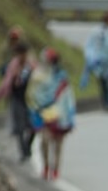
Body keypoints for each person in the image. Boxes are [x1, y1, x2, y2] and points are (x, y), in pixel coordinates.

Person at [25, 47, 76, 182]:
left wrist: (69, 116)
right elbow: (33, 93)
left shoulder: (61, 76)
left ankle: (56, 169)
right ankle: (47, 166)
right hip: (44, 112)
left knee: (58, 144)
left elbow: (67, 97)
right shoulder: (38, 75)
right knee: (45, 141)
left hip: (60, 114)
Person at [0, 37, 35, 162]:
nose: (22, 56)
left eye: (24, 53)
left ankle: (28, 146)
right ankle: (23, 151)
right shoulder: (13, 65)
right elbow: (7, 82)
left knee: (33, 126)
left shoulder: (31, 65)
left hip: (31, 99)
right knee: (20, 126)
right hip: (17, 98)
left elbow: (39, 81)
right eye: (19, 53)